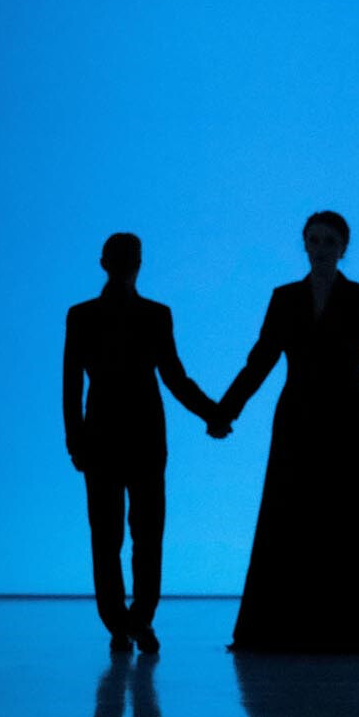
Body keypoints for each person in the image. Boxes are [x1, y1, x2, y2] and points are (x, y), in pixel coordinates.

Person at [213, 211, 359, 652]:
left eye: (328, 241)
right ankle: (291, 623)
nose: (319, 248)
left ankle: (352, 623)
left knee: (353, 516)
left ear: (343, 247)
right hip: (299, 419)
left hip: (347, 420)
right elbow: (260, 360)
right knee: (294, 514)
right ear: (305, 245)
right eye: (313, 240)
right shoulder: (285, 298)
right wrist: (227, 408)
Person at [63, 232, 228, 652]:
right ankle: (138, 619)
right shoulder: (154, 315)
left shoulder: (82, 315)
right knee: (145, 534)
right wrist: (213, 413)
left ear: (104, 263)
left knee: (108, 536)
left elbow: (71, 386)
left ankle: (120, 623)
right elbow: (174, 377)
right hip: (144, 436)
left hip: (102, 436)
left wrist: (75, 440)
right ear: (139, 263)